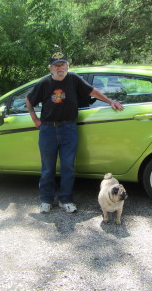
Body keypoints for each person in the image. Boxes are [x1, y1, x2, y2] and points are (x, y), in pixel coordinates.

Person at [25, 51, 124, 214]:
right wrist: (35, 120)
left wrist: (110, 101)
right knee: (48, 168)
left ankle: (66, 199)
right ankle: (46, 200)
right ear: (50, 68)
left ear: (67, 66)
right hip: (48, 129)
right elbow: (29, 100)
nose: (60, 68)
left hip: (68, 129)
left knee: (68, 167)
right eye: (56, 65)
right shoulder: (44, 83)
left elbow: (92, 91)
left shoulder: (73, 79)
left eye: (63, 64)